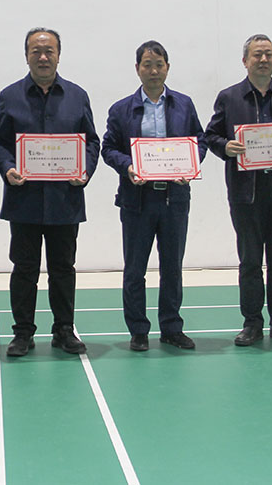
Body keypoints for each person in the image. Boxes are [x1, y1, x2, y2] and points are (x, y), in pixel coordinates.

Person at [0, 28, 100, 357]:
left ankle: (64, 330)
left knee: (63, 269)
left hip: (64, 200)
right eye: (36, 51)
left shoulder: (77, 96)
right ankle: (23, 332)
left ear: (58, 55)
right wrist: (8, 167)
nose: (42, 57)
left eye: (49, 51)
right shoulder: (9, 96)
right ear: (26, 55)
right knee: (24, 269)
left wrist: (85, 170)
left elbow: (91, 141)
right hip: (24, 199)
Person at [204, 35, 272, 347]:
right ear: (245, 61)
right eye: (257, 55)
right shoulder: (229, 97)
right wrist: (226, 146)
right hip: (246, 192)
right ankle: (252, 323)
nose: (263, 60)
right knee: (250, 261)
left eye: (268, 54)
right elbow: (210, 136)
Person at [102, 40, 207, 351]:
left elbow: (199, 140)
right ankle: (138, 330)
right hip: (137, 199)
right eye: (147, 65)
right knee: (135, 269)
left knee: (172, 267)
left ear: (167, 68)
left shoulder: (184, 104)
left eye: (158, 64)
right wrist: (128, 166)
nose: (153, 70)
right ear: (137, 69)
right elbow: (108, 148)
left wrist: (191, 163)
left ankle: (172, 327)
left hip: (175, 198)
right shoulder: (121, 109)